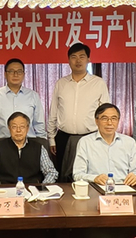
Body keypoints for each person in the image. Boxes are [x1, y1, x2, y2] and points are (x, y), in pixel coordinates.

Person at [47, 43, 110, 171]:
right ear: (68, 60)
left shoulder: (98, 83)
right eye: (74, 57)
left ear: (88, 59)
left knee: (90, 173)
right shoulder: (61, 83)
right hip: (64, 139)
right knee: (64, 174)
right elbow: (53, 112)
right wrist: (51, 139)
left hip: (90, 138)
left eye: (82, 56)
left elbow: (105, 114)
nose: (78, 60)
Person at [73, 103, 136, 186]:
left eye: (114, 118)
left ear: (118, 121)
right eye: (104, 118)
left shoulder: (129, 142)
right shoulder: (85, 142)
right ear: (96, 121)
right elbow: (77, 174)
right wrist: (95, 178)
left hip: (124, 187)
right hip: (96, 188)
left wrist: (135, 176)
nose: (109, 123)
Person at [0, 58, 46, 149]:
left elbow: (39, 125)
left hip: (28, 145)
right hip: (1, 144)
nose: (15, 75)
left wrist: (42, 146)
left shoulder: (33, 96)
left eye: (19, 71)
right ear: (5, 74)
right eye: (11, 71)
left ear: (24, 74)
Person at [0, 112, 57, 185]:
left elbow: (51, 172)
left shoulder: (39, 147)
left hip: (32, 189)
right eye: (14, 127)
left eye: (22, 127)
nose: (18, 130)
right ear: (9, 128)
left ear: (27, 128)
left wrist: (42, 187)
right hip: (5, 189)